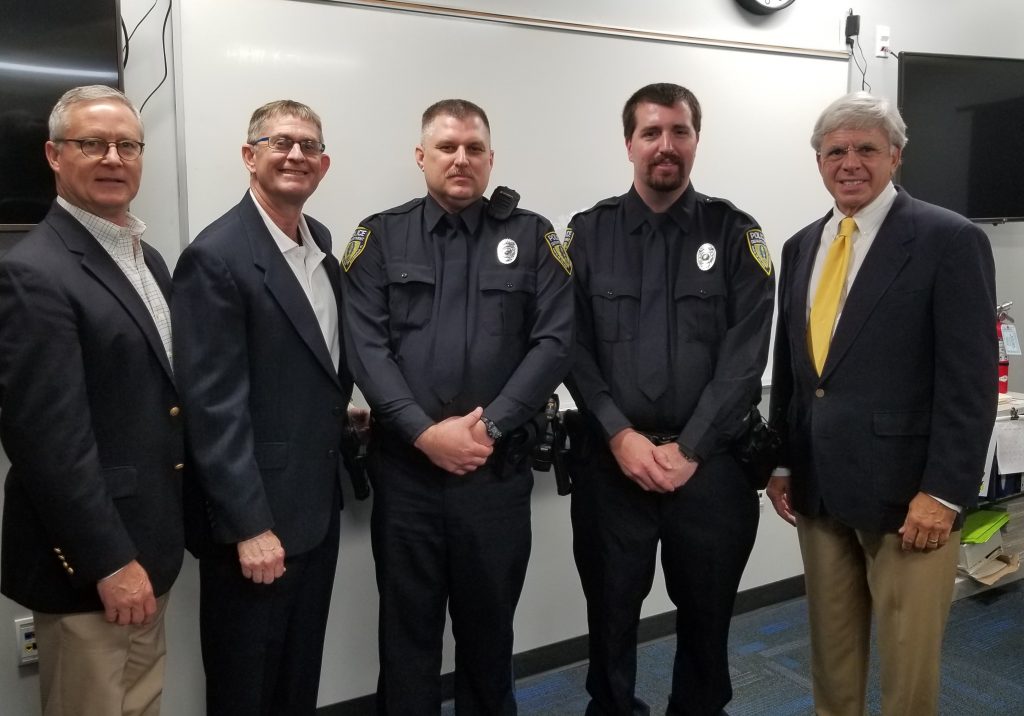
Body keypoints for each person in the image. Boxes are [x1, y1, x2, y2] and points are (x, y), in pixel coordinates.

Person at [765, 91, 997, 716]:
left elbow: (970, 382)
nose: (849, 162)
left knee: (906, 672)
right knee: (831, 660)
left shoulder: (949, 239)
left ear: (895, 156)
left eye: (866, 148)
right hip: (818, 491)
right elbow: (794, 371)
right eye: (835, 150)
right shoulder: (799, 247)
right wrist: (783, 462)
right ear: (818, 162)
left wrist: (945, 494)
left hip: (909, 501)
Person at [342, 98, 573, 714]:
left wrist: (488, 428)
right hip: (407, 479)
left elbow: (554, 344)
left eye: (474, 148)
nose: (461, 159)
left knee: (490, 636)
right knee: (407, 637)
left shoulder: (532, 236)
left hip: (494, 475)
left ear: (491, 159)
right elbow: (365, 349)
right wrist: (423, 434)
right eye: (447, 147)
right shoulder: (379, 238)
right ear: (422, 157)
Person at [564, 82, 775, 716]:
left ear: (695, 141)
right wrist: (620, 435)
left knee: (707, 621)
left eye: (679, 132)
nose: (665, 145)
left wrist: (690, 448)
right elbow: (570, 348)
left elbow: (746, 359)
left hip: (709, 467)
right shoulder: (587, 233)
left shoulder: (737, 234)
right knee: (609, 618)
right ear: (629, 143)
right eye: (651, 133)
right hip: (612, 464)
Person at [0, 85, 182, 716]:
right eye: (92, 144)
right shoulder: (34, 272)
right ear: (54, 154)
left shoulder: (147, 259)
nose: (113, 158)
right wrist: (109, 562)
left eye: (127, 145)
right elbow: (48, 442)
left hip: (146, 547)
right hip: (94, 569)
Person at [171, 100, 353, 716]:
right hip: (256, 525)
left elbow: (307, 367)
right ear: (250, 156)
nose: (296, 154)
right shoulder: (216, 256)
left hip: (313, 509)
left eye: (308, 145)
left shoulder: (319, 243)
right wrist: (249, 527)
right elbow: (211, 407)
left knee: (297, 681)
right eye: (280, 142)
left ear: (323, 166)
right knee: (245, 690)